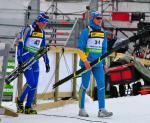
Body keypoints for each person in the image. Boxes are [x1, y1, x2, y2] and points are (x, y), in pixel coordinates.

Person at [77, 10, 113, 117]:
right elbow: (80, 48)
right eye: (98, 18)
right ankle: (81, 109)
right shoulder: (86, 31)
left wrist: (105, 63)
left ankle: (102, 110)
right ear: (93, 19)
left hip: (98, 64)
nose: (100, 20)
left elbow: (104, 49)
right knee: (84, 85)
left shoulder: (102, 32)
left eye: (101, 18)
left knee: (101, 85)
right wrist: (85, 60)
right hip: (87, 63)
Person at [16, 12, 50, 114]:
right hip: (26, 59)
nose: (45, 25)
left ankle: (28, 106)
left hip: (35, 60)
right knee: (30, 82)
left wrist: (46, 62)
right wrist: (19, 59)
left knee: (35, 84)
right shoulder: (29, 29)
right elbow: (20, 43)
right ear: (39, 21)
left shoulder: (42, 32)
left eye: (46, 23)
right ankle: (20, 101)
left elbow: (43, 48)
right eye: (44, 23)